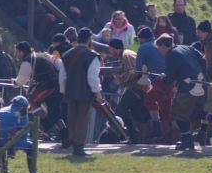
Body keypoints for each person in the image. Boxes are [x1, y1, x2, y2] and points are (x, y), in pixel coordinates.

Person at [158, 34, 207, 151]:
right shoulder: (186, 47)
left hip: (188, 87)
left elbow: (169, 78)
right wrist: (203, 74)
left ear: (163, 46)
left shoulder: (171, 54)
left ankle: (187, 140)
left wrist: (163, 78)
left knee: (177, 113)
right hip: (202, 83)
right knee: (192, 113)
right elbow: (203, 59)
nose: (159, 50)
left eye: (159, 47)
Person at [59, 28, 103, 156]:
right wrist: (97, 93)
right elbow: (92, 78)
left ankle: (73, 142)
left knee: (72, 118)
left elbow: (62, 76)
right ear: (90, 39)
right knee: (82, 119)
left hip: (70, 91)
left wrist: (63, 91)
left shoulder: (67, 54)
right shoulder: (92, 56)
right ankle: (79, 146)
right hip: (85, 92)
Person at [108, 38, 151, 143]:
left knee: (121, 111)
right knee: (138, 114)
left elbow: (132, 72)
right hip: (137, 87)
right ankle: (136, 137)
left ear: (116, 48)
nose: (109, 51)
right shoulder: (126, 54)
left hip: (136, 88)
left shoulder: (126, 55)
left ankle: (132, 136)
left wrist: (120, 78)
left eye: (111, 48)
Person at [0, 95, 32, 173]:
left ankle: (4, 169)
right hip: (10, 141)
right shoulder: (21, 113)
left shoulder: (0, 111)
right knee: (31, 146)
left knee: (3, 143)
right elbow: (24, 132)